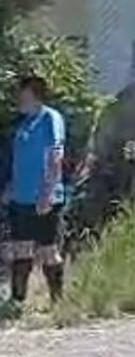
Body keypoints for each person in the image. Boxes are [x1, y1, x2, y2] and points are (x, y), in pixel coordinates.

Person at [1, 75, 67, 314]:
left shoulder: (50, 118)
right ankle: (17, 301)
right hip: (21, 197)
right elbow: (18, 159)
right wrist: (10, 187)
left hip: (44, 197)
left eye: (23, 94)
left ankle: (57, 300)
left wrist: (48, 192)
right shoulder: (23, 123)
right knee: (21, 248)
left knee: (47, 250)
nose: (19, 98)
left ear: (35, 95)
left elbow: (55, 154)